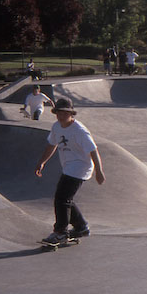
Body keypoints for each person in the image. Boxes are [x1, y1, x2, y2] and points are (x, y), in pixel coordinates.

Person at [35, 97, 106, 245]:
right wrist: (42, 162)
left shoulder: (79, 131)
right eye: (59, 113)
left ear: (71, 114)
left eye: (65, 113)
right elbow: (51, 145)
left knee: (61, 198)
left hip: (81, 167)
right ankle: (81, 227)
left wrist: (99, 171)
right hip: (69, 166)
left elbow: (93, 151)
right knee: (66, 198)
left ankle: (60, 232)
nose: (61, 116)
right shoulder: (56, 127)